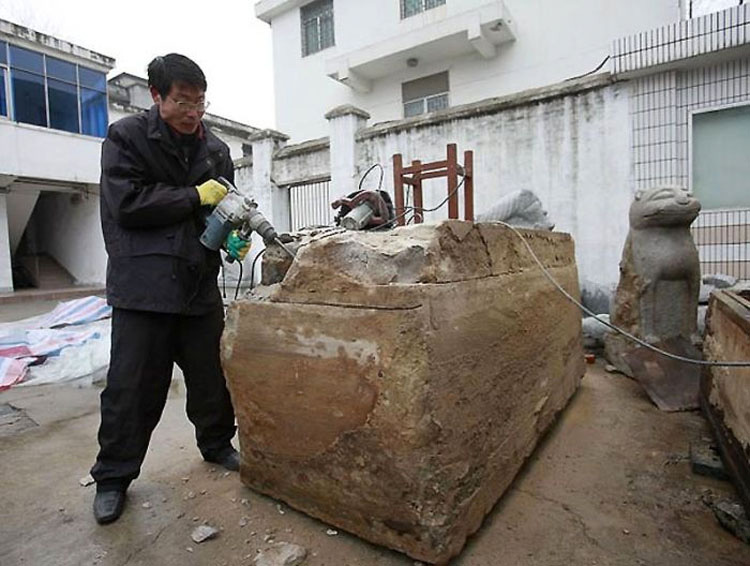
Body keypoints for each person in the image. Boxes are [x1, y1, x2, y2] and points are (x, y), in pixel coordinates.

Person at [91, 53, 250, 525]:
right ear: (156, 96)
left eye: (200, 103)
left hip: (198, 282)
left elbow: (221, 206)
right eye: (182, 101)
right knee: (132, 387)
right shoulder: (126, 139)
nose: (192, 112)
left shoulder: (216, 150)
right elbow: (127, 204)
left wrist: (229, 232)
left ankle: (217, 444)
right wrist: (194, 196)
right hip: (143, 287)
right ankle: (114, 476)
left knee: (211, 377)